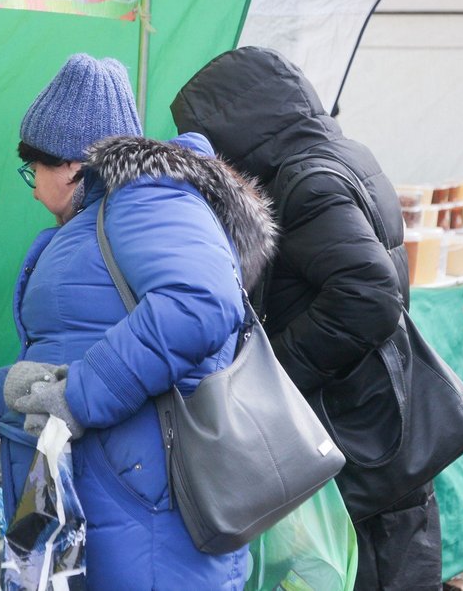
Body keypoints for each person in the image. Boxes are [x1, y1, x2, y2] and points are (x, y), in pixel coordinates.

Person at [0, 53, 277, 589]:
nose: (33, 186)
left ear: (70, 165)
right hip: (109, 503)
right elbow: (51, 368)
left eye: (32, 168)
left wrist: (83, 394)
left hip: (146, 516)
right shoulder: (106, 217)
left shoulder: (149, 198)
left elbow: (199, 303)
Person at [171, 45, 442, 590]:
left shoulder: (305, 181)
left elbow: (367, 296)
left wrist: (275, 379)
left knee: (377, 568)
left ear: (237, 129)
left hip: (359, 434)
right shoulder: (342, 157)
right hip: (379, 421)